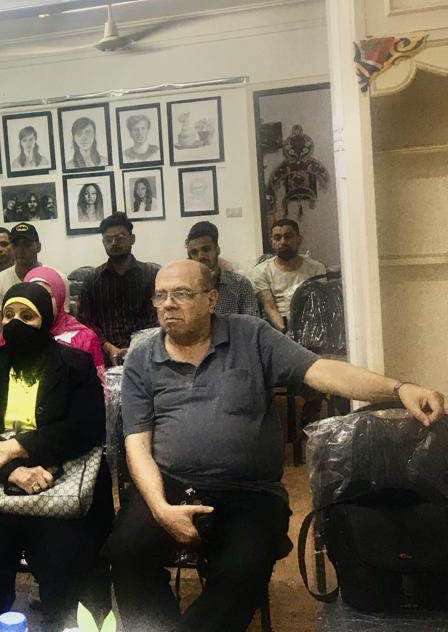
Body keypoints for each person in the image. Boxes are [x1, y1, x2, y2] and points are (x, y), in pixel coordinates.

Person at [108, 260, 445, 632]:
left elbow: (321, 371)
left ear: (211, 299)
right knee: (124, 551)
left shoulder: (251, 336)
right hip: (171, 485)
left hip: (249, 492)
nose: (168, 304)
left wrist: (399, 389)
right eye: (161, 295)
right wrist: (160, 508)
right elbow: (137, 444)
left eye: (182, 293)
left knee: (242, 571)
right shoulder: (142, 357)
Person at [0, 283, 111, 632]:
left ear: (46, 319)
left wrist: (18, 447)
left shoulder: (74, 363)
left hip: (58, 478)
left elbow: (87, 427)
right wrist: (12, 470)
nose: (15, 323)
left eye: (27, 315)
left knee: (72, 558)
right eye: (8, 315)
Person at [77, 212, 158, 366]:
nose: (114, 243)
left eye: (120, 237)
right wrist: (108, 347)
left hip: (147, 353)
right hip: (104, 356)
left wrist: (136, 347)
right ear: (103, 242)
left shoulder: (151, 275)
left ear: (132, 239)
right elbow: (85, 321)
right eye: (109, 239)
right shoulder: (92, 280)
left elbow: (157, 317)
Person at [249, 219, 326, 333]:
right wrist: (285, 333)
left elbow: (319, 305)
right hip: (277, 328)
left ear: (299, 239)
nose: (283, 242)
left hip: (310, 323)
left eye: (288, 237)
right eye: (277, 238)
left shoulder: (316, 268)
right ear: (272, 242)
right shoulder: (260, 271)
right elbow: (269, 307)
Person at [185, 220, 259, 316]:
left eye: (206, 249)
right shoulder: (185, 288)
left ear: (217, 250)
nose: (200, 256)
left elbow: (253, 322)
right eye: (194, 252)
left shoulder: (240, 284)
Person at [0, 222, 42, 343]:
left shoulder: (56, 278)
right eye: (16, 245)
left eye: (26, 244)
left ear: (38, 247)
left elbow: (60, 325)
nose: (20, 250)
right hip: (10, 346)